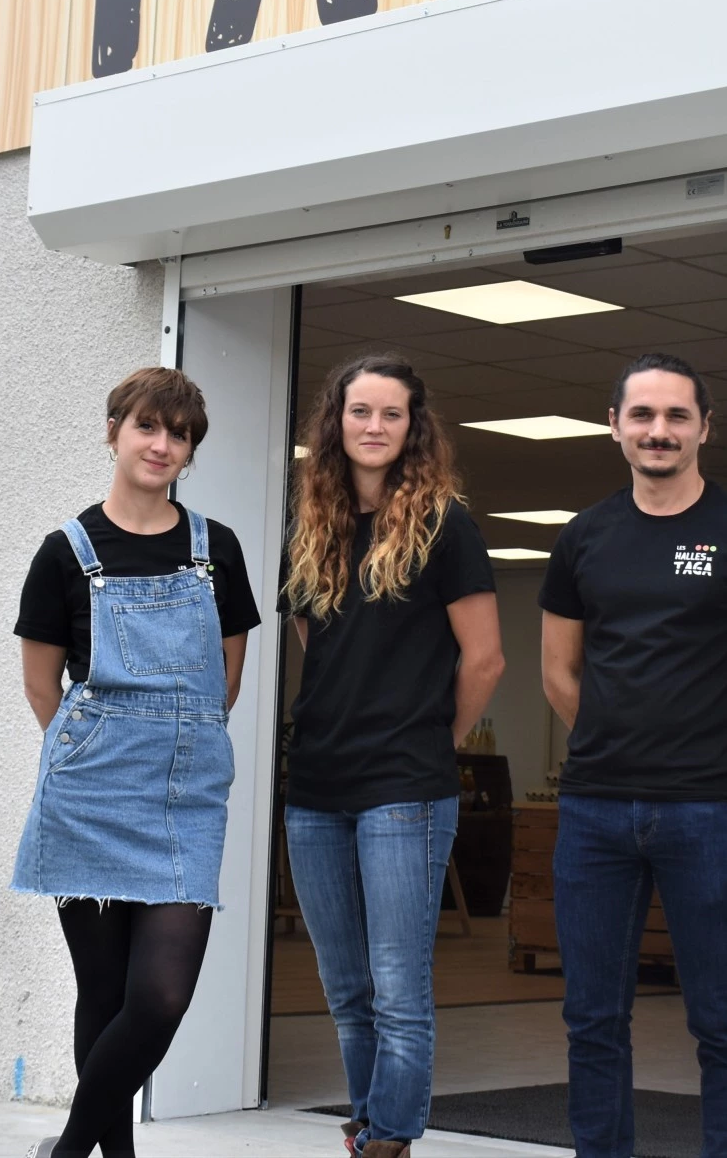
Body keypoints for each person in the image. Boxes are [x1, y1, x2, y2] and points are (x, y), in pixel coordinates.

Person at [540, 351, 727, 1158]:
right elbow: (559, 671)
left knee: (724, 1022)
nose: (659, 431)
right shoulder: (584, 537)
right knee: (592, 1020)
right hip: (594, 813)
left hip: (710, 815)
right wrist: (618, 742)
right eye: (644, 415)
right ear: (615, 425)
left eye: (677, 416)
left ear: (704, 428)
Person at [11, 366, 261, 1158]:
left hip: (184, 794)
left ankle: (68, 1151)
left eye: (179, 434)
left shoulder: (214, 547)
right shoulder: (66, 551)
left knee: (158, 996)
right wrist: (105, 747)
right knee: (104, 992)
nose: (163, 445)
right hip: (88, 794)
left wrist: (174, 743)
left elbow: (227, 672)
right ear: (115, 431)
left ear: (190, 452)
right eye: (148, 427)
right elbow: (41, 685)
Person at [281, 355, 505, 1158]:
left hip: (405, 787)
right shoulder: (313, 527)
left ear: (415, 428)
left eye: (391, 414)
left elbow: (484, 661)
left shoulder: (446, 525)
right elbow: (320, 643)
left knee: (398, 988)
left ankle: (389, 1138)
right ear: (334, 423)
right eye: (359, 412)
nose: (373, 427)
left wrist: (432, 740)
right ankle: (371, 1124)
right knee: (346, 990)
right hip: (315, 786)